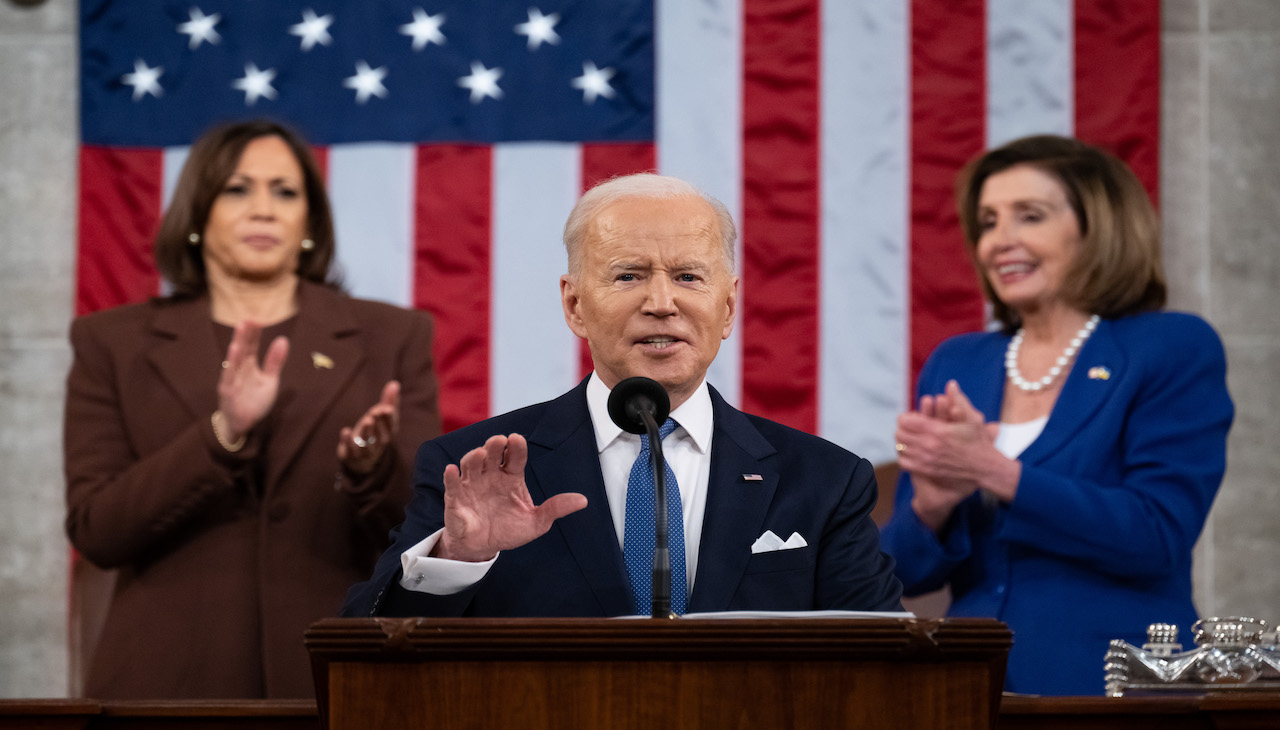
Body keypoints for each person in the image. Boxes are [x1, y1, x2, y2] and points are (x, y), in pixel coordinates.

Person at [342, 173, 903, 618]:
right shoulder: (476, 471)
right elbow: (371, 646)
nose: (662, 302)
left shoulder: (825, 482)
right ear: (575, 306)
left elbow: (886, 667)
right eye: (629, 276)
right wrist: (457, 559)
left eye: (688, 277)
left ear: (728, 307)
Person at [63, 119, 441, 698]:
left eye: (284, 191)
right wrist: (222, 435)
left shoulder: (391, 336)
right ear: (197, 212)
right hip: (165, 685)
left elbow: (424, 534)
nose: (263, 209)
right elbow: (98, 530)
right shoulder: (111, 342)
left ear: (309, 221)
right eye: (238, 189)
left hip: (338, 679)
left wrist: (372, 469)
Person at [879, 135, 1233, 696]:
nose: (1001, 240)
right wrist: (931, 506)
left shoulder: (1170, 347)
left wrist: (996, 473)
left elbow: (1158, 534)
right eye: (989, 221)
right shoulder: (960, 362)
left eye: (1030, 216)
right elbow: (898, 576)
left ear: (1099, 228)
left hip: (1113, 687)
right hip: (967, 689)